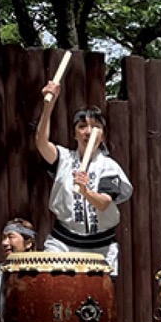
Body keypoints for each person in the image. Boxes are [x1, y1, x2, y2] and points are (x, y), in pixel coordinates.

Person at [34, 92, 132, 272]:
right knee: (54, 292)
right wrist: (49, 104)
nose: (88, 131)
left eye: (96, 127)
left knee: (94, 299)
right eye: (82, 126)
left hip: (100, 247)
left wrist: (86, 191)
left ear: (102, 136)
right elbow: (41, 142)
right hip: (62, 242)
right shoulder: (63, 159)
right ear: (74, 134)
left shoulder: (108, 166)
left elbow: (103, 203)